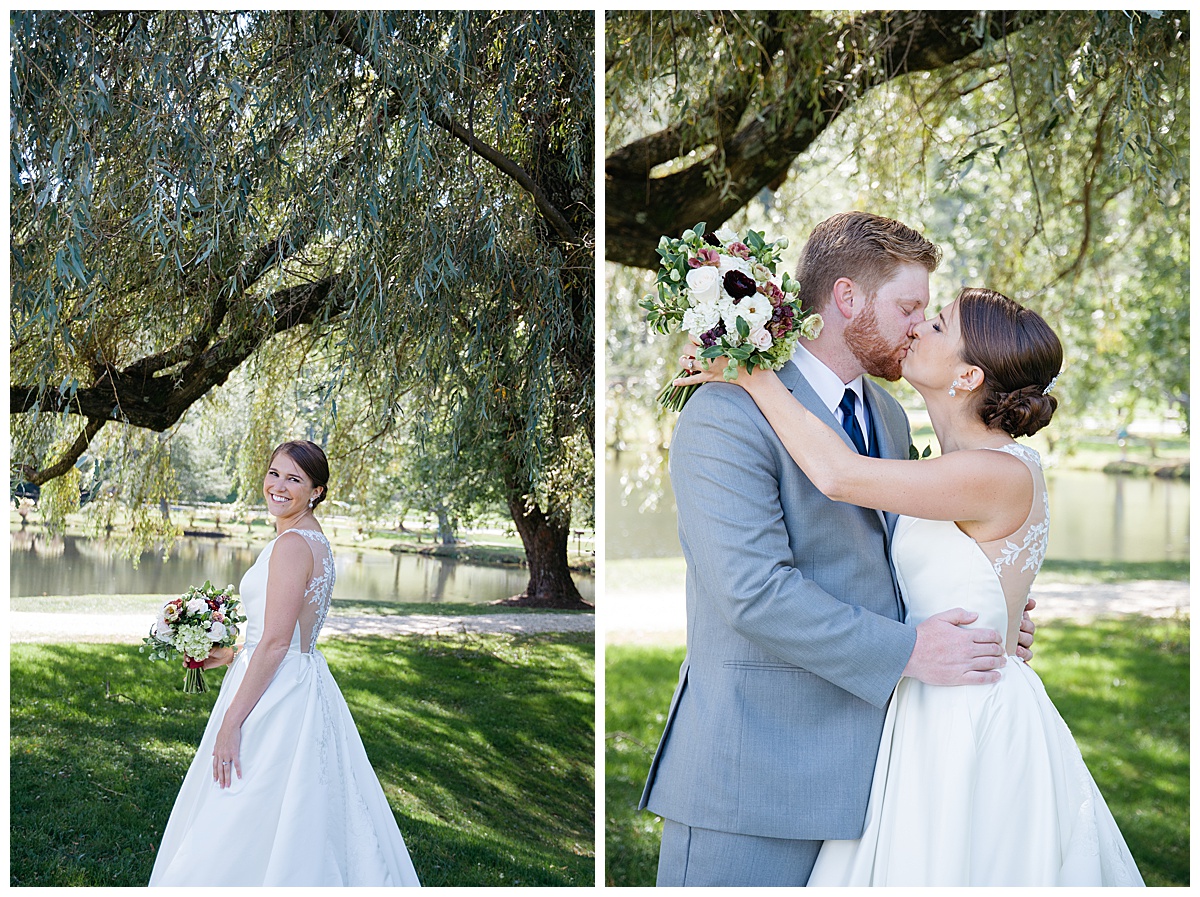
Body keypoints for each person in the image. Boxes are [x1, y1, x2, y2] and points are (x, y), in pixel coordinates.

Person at [675, 286, 1144, 885]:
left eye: (939, 324)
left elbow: (839, 475)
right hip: (924, 701)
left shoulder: (994, 471)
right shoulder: (930, 456)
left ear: (968, 374)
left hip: (964, 716)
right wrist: (999, 615)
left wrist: (752, 373)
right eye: (917, 311)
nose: (919, 327)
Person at [638, 212, 1036, 887]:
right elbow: (753, 592)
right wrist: (910, 649)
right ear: (848, 299)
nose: (917, 325)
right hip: (752, 782)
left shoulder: (889, 415)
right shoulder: (726, 409)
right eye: (909, 306)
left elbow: (902, 556)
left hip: (879, 785)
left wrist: (993, 611)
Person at [150, 440, 421, 886]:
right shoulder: (309, 539)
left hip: (275, 694)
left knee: (242, 800)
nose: (278, 486)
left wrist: (231, 722)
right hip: (297, 677)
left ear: (316, 490)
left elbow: (276, 644)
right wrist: (231, 653)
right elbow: (287, 640)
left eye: (294, 479)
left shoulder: (293, 544)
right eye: (274, 473)